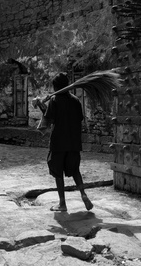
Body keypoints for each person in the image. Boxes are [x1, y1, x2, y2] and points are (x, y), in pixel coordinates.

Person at [43, 72, 93, 212]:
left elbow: (49, 119)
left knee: (58, 173)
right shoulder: (75, 100)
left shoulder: (54, 100)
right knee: (75, 170)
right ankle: (83, 194)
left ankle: (62, 204)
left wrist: (42, 105)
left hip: (58, 142)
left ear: (55, 87)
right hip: (73, 142)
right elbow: (79, 119)